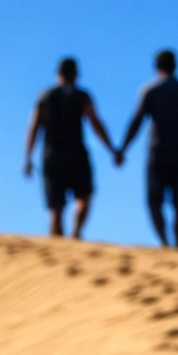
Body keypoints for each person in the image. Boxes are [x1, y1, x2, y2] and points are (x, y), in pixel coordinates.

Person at [116, 49, 178, 248]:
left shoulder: (151, 90)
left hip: (158, 154)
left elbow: (136, 122)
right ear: (175, 66)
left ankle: (165, 243)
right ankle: (177, 245)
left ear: (157, 67)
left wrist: (123, 149)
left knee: (155, 202)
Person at [24, 58, 117, 239]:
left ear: (58, 75)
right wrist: (112, 149)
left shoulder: (46, 96)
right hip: (76, 155)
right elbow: (95, 123)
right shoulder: (81, 96)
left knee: (56, 207)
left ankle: (61, 242)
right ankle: (74, 234)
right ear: (76, 75)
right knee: (83, 197)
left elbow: (34, 127)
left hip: (52, 156)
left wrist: (28, 157)